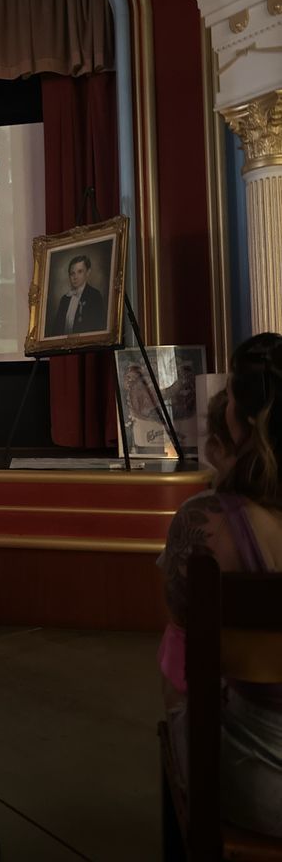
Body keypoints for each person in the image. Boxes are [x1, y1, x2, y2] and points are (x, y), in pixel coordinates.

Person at [158, 332, 282, 836]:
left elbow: (179, 654)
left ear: (245, 420)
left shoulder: (206, 523)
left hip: (261, 789)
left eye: (230, 393)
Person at [50, 253, 107, 336]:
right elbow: (56, 330)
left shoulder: (94, 296)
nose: (75, 277)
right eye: (72, 273)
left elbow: (98, 327)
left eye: (80, 272)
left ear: (88, 272)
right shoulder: (65, 299)